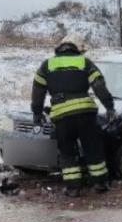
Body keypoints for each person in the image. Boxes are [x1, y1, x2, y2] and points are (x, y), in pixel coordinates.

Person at [31, 34, 117, 197]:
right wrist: (109, 106)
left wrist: (37, 113)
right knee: (93, 148)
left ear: (60, 49)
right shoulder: (84, 62)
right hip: (85, 114)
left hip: (62, 117)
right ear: (76, 49)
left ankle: (73, 188)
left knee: (67, 152)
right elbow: (99, 86)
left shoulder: (47, 65)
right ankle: (100, 183)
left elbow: (37, 91)